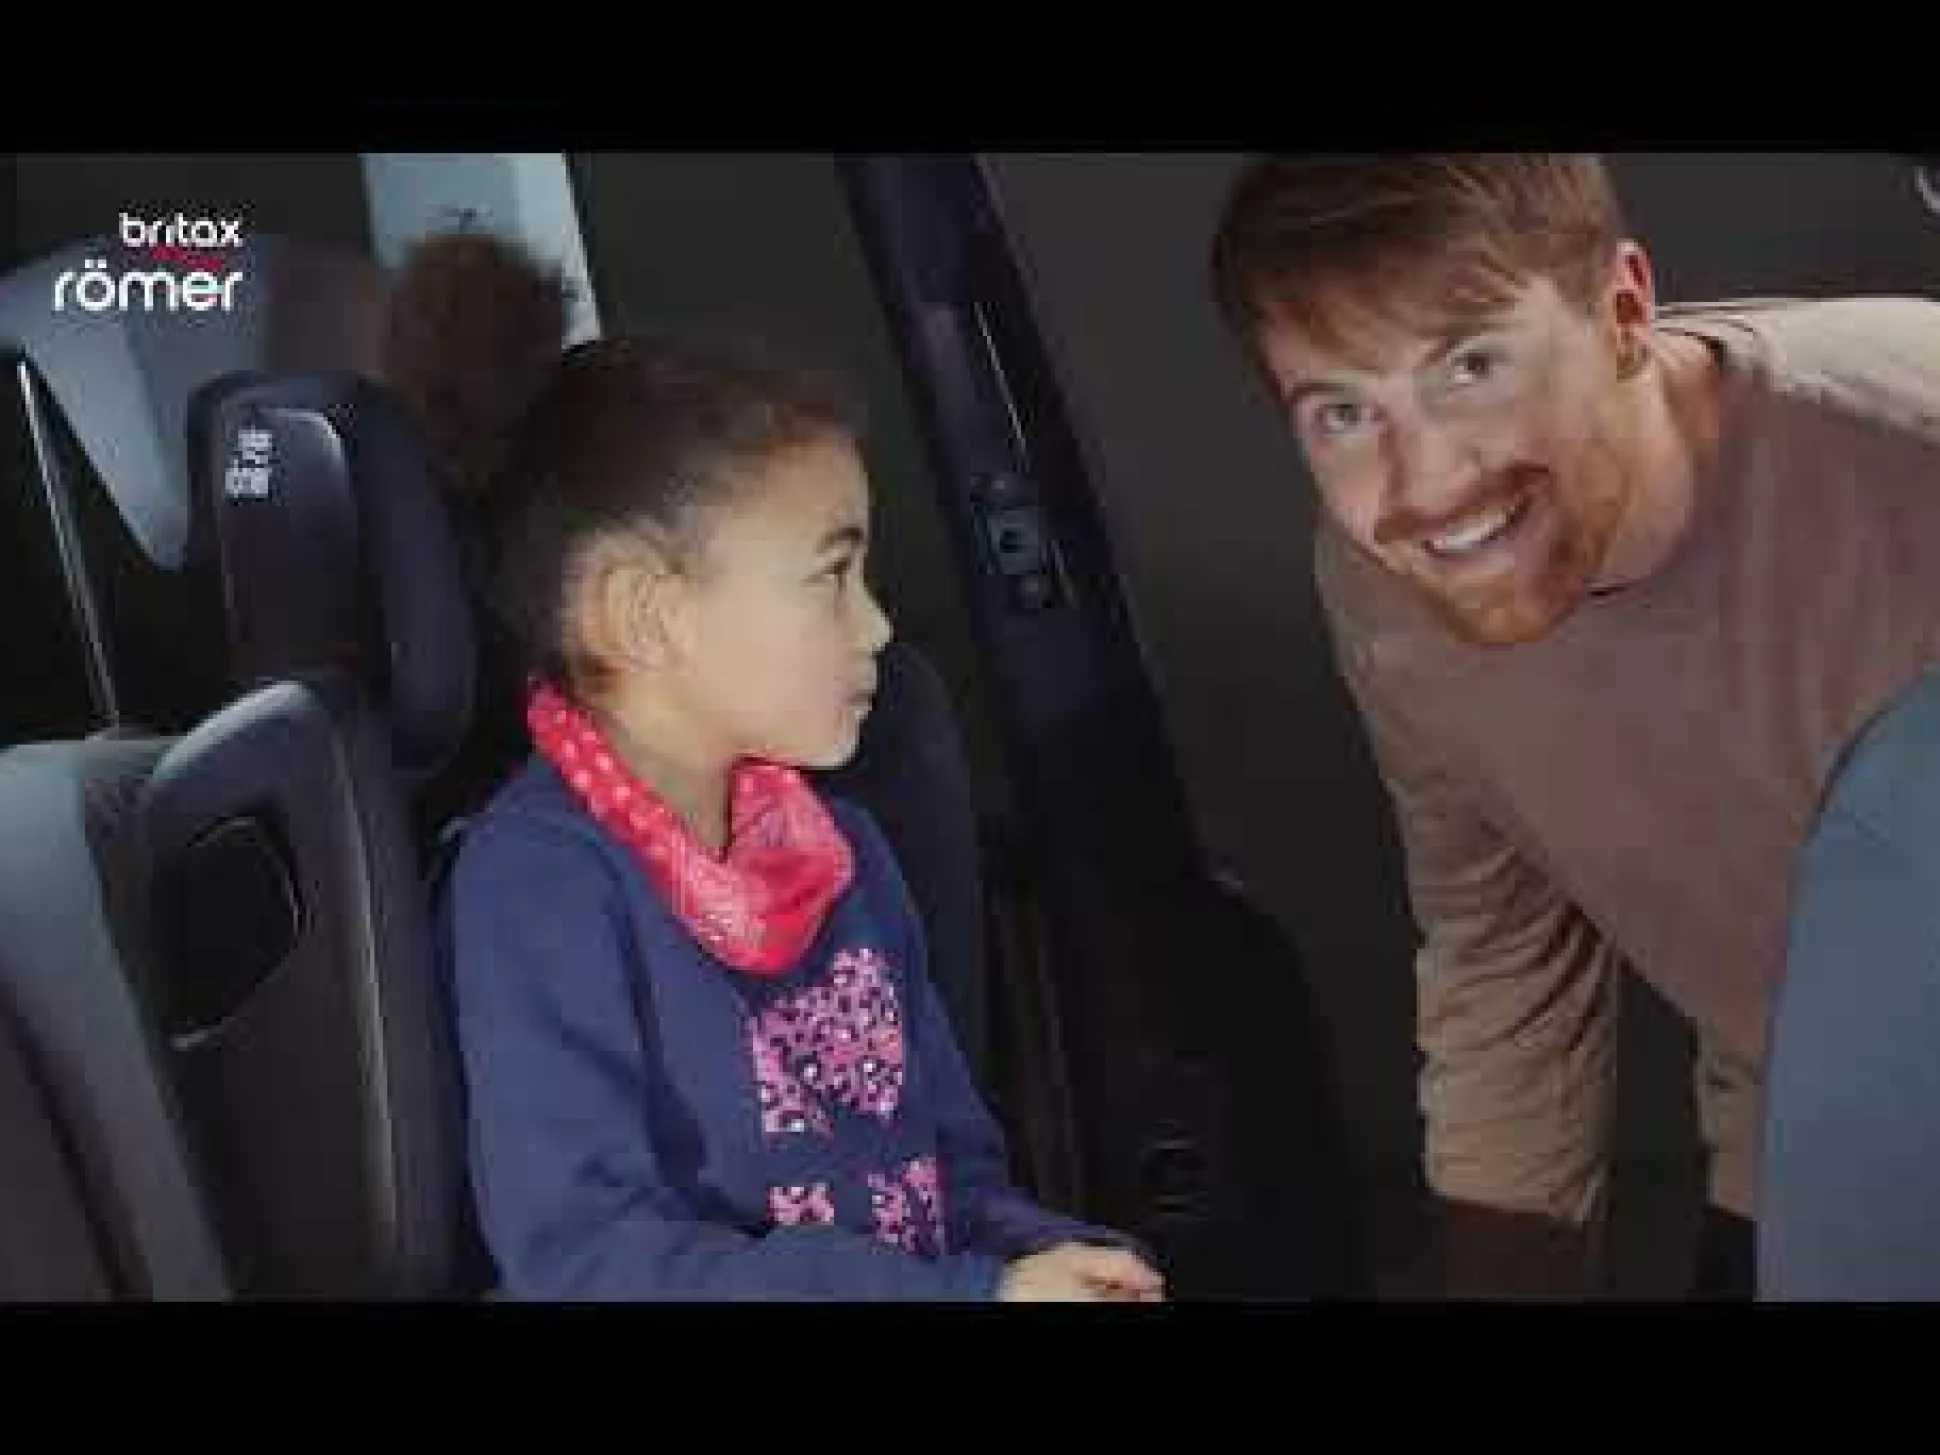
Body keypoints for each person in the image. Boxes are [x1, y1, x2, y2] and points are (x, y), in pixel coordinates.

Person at [1207, 153, 1940, 1298]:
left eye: (1469, 366)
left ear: (1622, 312)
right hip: (1810, 1152)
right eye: (1342, 412)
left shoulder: (1906, 441)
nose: (1422, 483)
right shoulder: (1389, 584)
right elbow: (1504, 959)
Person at [392, 230, 1163, 1302]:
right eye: (831, 578)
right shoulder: (539, 883)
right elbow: (585, 1260)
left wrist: (1050, 1260)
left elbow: (953, 1179)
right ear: (643, 614)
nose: (877, 626)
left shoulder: (846, 855)